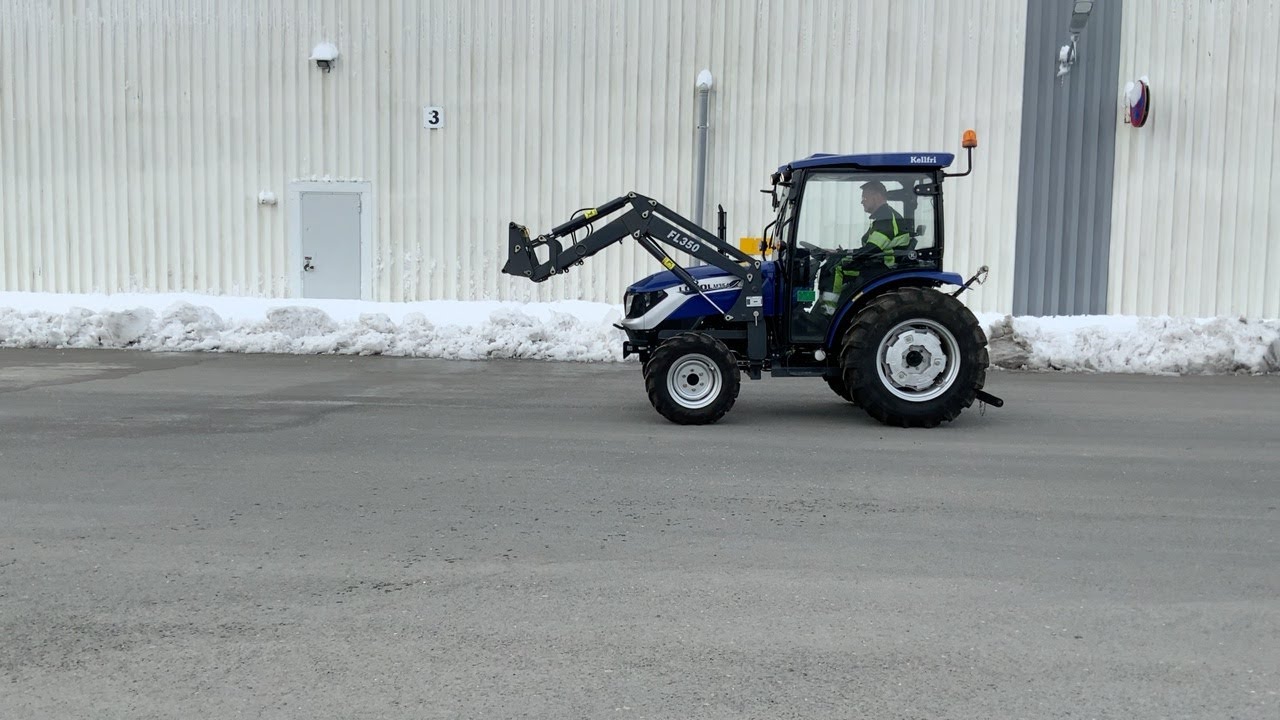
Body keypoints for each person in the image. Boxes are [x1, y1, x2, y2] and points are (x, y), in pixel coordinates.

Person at [858, 180, 911, 266]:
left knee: (839, 267)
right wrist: (846, 252)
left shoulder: (886, 219)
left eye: (865, 198)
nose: (862, 202)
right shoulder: (882, 217)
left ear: (877, 197)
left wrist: (846, 254)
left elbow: (870, 250)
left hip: (885, 268)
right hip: (878, 265)